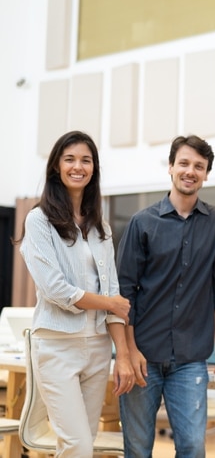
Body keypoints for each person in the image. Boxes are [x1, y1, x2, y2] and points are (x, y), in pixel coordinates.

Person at [117, 135, 215, 457]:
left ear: (206, 174)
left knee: (192, 448)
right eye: (184, 163)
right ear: (171, 167)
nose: (190, 171)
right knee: (138, 449)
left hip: (190, 359)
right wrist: (129, 351)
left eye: (199, 166)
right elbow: (125, 291)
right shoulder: (142, 223)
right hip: (143, 354)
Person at [18, 130, 134, 456]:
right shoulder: (39, 220)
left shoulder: (101, 227)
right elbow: (56, 290)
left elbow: (113, 290)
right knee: (77, 445)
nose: (78, 166)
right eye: (70, 159)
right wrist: (109, 302)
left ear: (94, 168)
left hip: (97, 348)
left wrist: (121, 356)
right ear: (56, 166)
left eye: (86, 160)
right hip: (56, 347)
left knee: (83, 442)